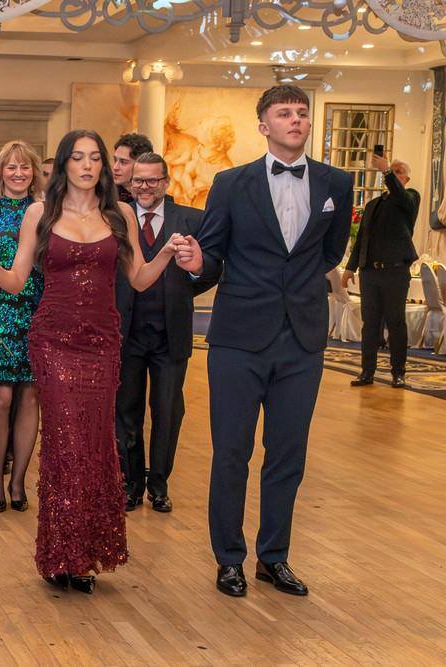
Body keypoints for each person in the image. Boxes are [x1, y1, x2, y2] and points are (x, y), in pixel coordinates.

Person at [0, 129, 197, 593]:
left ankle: (85, 552)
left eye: (95, 158)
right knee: (66, 442)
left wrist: (167, 254)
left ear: (103, 166)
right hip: (53, 341)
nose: (87, 165)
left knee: (96, 443)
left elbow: (139, 279)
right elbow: (17, 280)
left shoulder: (119, 213)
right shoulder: (40, 212)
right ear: (64, 164)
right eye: (77, 157)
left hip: (102, 344)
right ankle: (61, 553)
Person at [182, 85, 352, 598]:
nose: (295, 120)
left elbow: (330, 252)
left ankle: (273, 558)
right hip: (238, 338)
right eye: (284, 113)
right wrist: (197, 265)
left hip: (302, 339)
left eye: (302, 113)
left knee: (288, 455)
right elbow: (212, 253)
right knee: (231, 453)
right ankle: (229, 559)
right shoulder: (231, 184)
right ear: (264, 126)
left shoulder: (336, 183)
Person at [115, 152, 217, 514]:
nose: (145, 187)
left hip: (170, 332)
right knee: (125, 411)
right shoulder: (116, 220)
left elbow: (211, 269)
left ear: (165, 182)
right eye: (138, 180)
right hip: (125, 332)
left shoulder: (192, 219)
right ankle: (131, 484)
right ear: (130, 184)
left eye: (152, 180)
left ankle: (159, 485)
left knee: (168, 412)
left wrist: (191, 275)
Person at [0, 141, 45, 513]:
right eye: (11, 167)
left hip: (37, 310)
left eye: (25, 167)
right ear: (0, 171)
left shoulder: (45, 210)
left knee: (30, 397)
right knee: (0, 398)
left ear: (34, 172)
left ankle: (19, 482)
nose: (18, 173)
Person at [342, 155, 420, 388]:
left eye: (398, 172)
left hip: (396, 271)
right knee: (370, 323)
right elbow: (362, 240)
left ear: (406, 179)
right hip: (370, 273)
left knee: (395, 322)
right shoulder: (372, 205)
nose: (393, 174)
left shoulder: (410, 198)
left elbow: (400, 196)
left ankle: (398, 372)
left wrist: (386, 171)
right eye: (391, 171)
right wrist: (350, 268)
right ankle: (367, 372)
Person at [112, 133, 154, 204]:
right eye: (115, 160)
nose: (115, 167)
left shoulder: (158, 200)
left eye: (123, 162)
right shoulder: (104, 197)